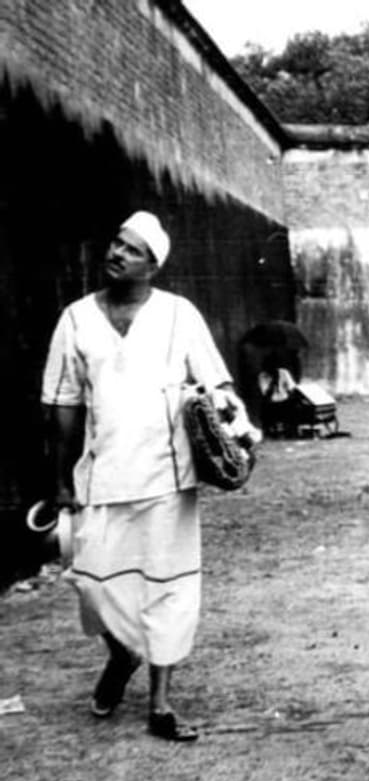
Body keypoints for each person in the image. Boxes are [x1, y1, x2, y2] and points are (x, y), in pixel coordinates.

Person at [41, 211, 245, 743]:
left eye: (132, 250)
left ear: (152, 266)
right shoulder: (76, 319)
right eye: (116, 243)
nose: (117, 253)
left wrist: (230, 424)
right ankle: (121, 654)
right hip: (101, 477)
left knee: (167, 591)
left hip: (167, 479)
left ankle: (161, 704)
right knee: (90, 584)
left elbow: (217, 383)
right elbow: (62, 405)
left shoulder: (178, 315)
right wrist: (59, 480)